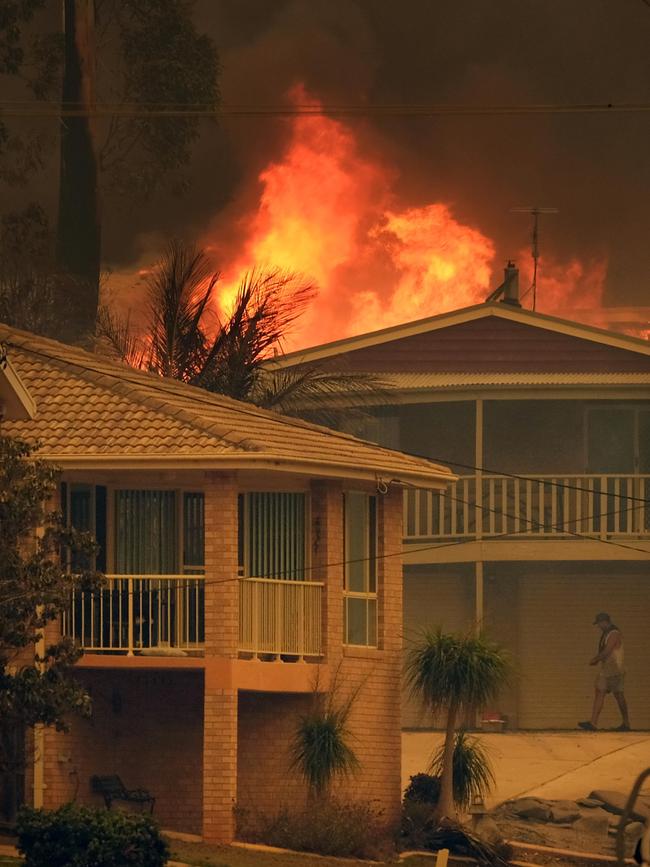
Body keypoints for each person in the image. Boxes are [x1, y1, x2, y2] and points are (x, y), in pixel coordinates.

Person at [578, 612, 630, 732]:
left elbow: (607, 651)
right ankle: (595, 722)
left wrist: (595, 659)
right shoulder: (608, 633)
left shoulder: (613, 633)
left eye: (599, 624)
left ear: (604, 622)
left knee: (611, 693)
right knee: (606, 692)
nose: (598, 627)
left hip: (614, 669)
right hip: (611, 669)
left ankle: (623, 723)